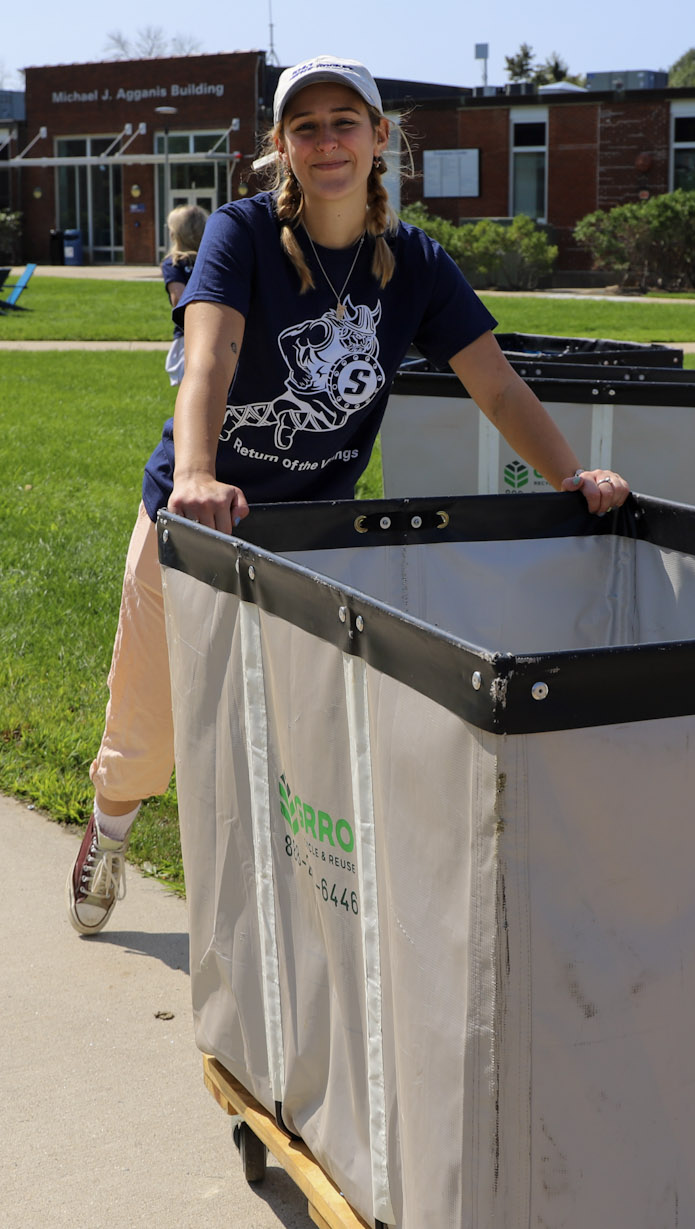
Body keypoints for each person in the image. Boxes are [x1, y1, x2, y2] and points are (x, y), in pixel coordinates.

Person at [69, 55, 630, 934]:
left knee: (309, 741)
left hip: (315, 535)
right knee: (150, 731)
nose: (327, 141)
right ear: (281, 148)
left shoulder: (413, 264)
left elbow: (499, 387)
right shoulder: (240, 233)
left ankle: (303, 913)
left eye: (344, 122)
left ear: (380, 137)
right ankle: (108, 832)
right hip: (193, 522)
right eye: (306, 127)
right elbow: (209, 357)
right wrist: (195, 477)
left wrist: (571, 474)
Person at [161, 204, 208, 385]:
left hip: (188, 335)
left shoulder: (174, 263)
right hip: (219, 329)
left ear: (175, 235)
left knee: (190, 387)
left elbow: (178, 299)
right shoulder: (212, 259)